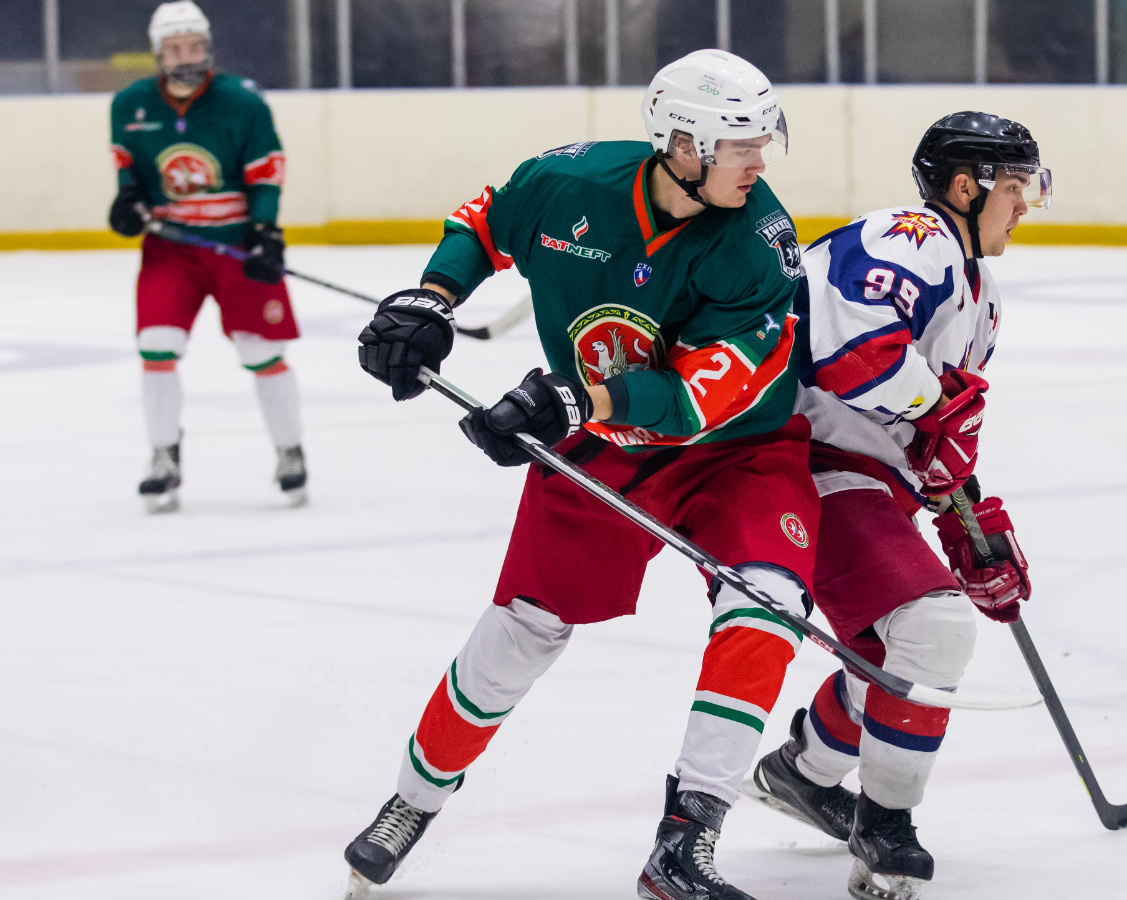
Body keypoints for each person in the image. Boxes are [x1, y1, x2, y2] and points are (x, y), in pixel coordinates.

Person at [341, 50, 818, 900]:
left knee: (766, 604)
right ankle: (412, 800)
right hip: (599, 441)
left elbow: (702, 396)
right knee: (521, 630)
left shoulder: (759, 243)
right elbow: (485, 221)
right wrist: (433, 297)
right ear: (684, 143)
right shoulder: (570, 184)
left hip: (736, 452)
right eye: (741, 145)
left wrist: (573, 398)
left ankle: (687, 841)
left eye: (761, 143)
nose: (760, 163)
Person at [741, 112, 1046, 900]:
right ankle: (885, 829)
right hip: (801, 460)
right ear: (965, 187)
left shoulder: (982, 297)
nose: (1025, 205)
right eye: (1015, 187)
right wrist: (936, 407)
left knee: (897, 648)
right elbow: (854, 357)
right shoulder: (911, 237)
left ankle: (803, 772)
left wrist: (968, 520)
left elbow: (934, 438)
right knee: (934, 630)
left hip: (865, 477)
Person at [109, 0, 304, 512]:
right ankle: (163, 456)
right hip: (170, 249)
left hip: (235, 243)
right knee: (157, 345)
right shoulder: (129, 105)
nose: (187, 57)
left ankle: (289, 451)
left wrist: (265, 232)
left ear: (209, 47)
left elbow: (266, 172)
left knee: (261, 351)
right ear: (158, 53)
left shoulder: (243, 101)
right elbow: (128, 171)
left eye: (195, 46)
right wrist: (128, 201)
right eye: (175, 49)